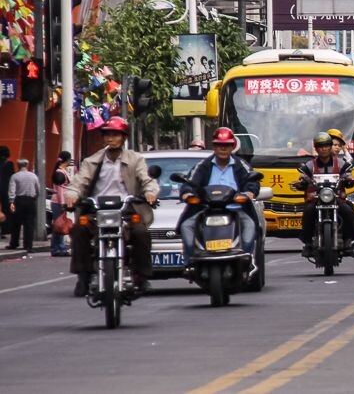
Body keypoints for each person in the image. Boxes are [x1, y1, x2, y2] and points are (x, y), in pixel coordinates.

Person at [65, 117, 158, 297]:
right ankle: (83, 276)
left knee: (141, 233)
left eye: (115, 135)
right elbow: (78, 182)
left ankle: (142, 276)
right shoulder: (91, 161)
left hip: (126, 209)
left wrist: (150, 192)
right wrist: (72, 195)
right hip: (97, 209)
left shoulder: (136, 159)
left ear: (123, 137)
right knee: (79, 229)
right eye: (107, 134)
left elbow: (147, 180)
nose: (111, 138)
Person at [177, 127, 260, 270]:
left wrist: (249, 193)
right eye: (219, 145)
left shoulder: (241, 165)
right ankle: (190, 263)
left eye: (227, 145)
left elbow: (252, 181)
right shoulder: (203, 165)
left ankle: (247, 260)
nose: (223, 148)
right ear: (214, 146)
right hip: (205, 209)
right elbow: (190, 182)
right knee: (186, 225)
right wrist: (187, 194)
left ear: (232, 146)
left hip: (236, 209)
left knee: (250, 225)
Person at [293, 130, 354, 260]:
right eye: (320, 146)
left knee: (350, 212)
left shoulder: (341, 164)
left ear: (330, 147)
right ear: (316, 149)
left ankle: (351, 242)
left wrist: (349, 179)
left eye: (326, 146)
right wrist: (301, 184)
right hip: (316, 199)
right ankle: (308, 243)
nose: (323, 149)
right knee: (308, 211)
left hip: (337, 198)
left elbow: (348, 175)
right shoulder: (309, 165)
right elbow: (303, 178)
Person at [7, 159, 40, 253]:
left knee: (16, 223)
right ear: (28, 165)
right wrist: (35, 197)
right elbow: (38, 189)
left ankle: (14, 243)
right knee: (29, 224)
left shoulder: (15, 176)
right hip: (30, 201)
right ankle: (28, 246)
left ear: (18, 165)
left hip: (19, 201)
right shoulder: (33, 176)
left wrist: (11, 202)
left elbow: (12, 190)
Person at [50, 151, 74, 256]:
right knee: (59, 226)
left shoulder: (62, 171)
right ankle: (58, 248)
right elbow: (60, 189)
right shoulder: (60, 173)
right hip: (58, 202)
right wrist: (62, 203)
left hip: (61, 201)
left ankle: (59, 248)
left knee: (60, 225)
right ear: (67, 160)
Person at [0, 146, 13, 237]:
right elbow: (12, 177)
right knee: (6, 209)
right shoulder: (9, 164)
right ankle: (5, 229)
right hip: (5, 190)